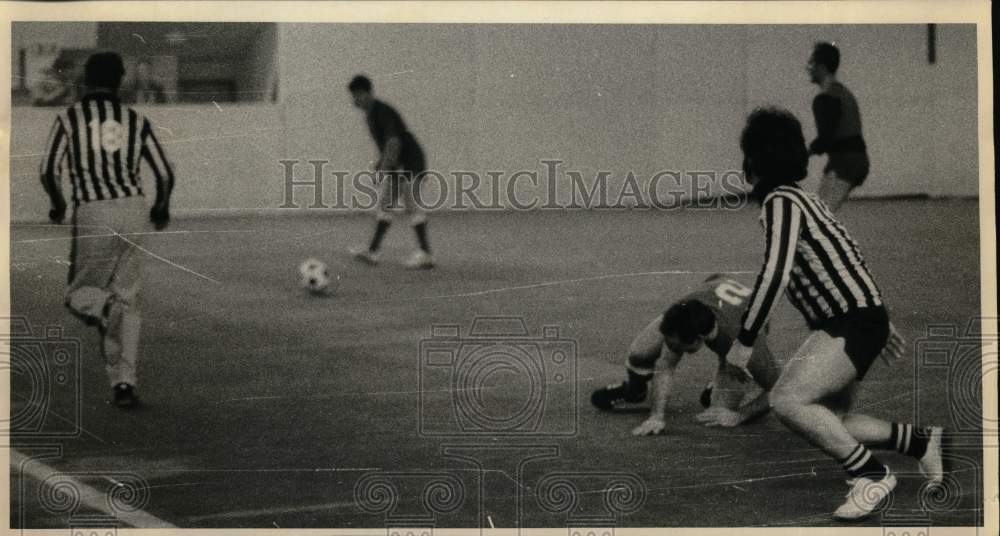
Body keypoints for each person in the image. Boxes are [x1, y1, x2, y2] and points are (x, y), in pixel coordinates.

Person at [726, 107, 944, 520]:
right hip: (859, 318)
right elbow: (848, 255)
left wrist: (744, 342)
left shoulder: (779, 203)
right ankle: (919, 442)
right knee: (832, 418)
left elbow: (775, 272)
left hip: (852, 321)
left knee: (787, 400)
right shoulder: (807, 200)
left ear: (754, 161)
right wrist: (880, 317)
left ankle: (872, 476)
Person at [40, 51, 175, 408]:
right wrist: (161, 207)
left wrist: (57, 204)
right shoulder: (134, 119)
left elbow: (47, 169)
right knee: (129, 299)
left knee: (80, 294)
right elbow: (164, 173)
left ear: (86, 80)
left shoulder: (70, 118)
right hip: (134, 209)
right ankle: (124, 383)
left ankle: (105, 310)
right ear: (119, 82)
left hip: (94, 212)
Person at [591, 274, 782, 435]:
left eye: (678, 346)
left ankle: (729, 382)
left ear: (699, 339)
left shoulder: (745, 344)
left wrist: (740, 415)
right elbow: (665, 365)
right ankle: (635, 392)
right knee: (640, 353)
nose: (673, 349)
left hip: (741, 320)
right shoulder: (684, 312)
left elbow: (780, 391)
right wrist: (656, 416)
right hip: (712, 288)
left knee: (719, 410)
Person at [347, 75, 433, 269]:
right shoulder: (371, 114)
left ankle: (426, 254)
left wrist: (383, 169)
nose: (354, 100)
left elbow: (394, 142)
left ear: (366, 93)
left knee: (411, 203)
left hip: (410, 160)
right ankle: (373, 251)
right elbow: (389, 144)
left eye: (356, 95)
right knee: (386, 204)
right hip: (399, 163)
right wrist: (382, 163)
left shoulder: (381, 112)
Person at [807, 42, 870, 212]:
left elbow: (825, 140)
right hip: (851, 160)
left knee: (818, 218)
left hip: (846, 163)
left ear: (821, 67)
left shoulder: (825, 98)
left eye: (811, 63)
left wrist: (801, 154)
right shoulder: (844, 92)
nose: (807, 67)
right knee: (818, 214)